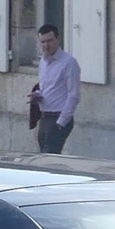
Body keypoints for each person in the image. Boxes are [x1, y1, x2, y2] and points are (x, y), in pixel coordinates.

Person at [29, 22, 80, 155]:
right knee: (43, 156)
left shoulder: (69, 63)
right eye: (43, 42)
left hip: (58, 117)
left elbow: (73, 95)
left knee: (49, 157)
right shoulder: (43, 62)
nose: (46, 45)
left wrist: (61, 122)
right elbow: (45, 87)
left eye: (50, 41)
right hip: (45, 116)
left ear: (58, 39)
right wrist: (37, 95)